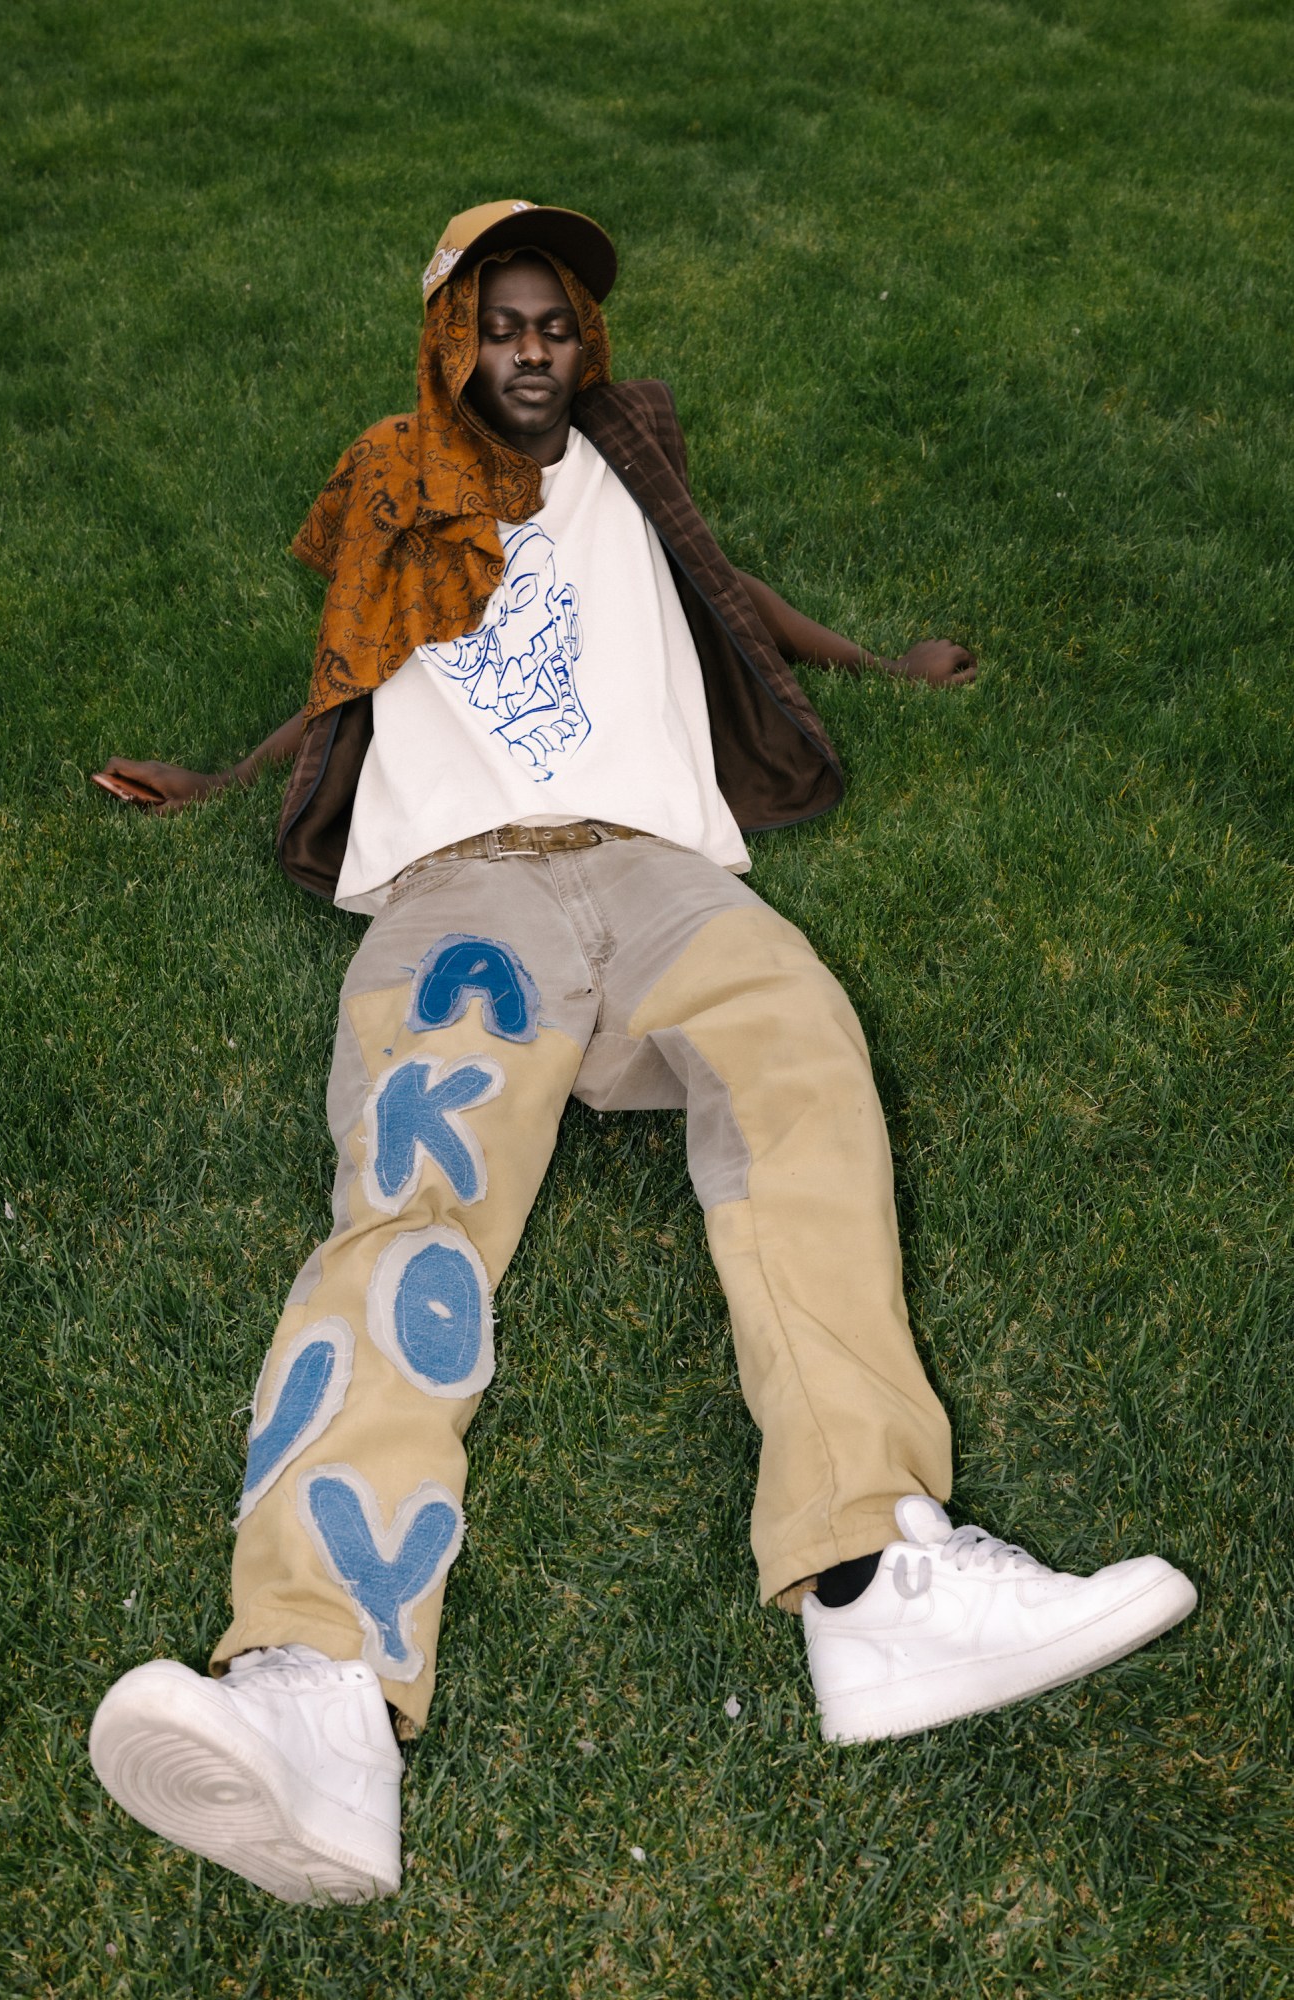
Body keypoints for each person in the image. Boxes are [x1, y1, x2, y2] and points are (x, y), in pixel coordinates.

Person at [87, 200, 1196, 1906]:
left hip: (671, 883)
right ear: (445, 336)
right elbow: (345, 661)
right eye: (497, 322)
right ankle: (318, 1686)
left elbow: (726, 587)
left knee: (810, 1087)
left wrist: (872, 658)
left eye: (557, 322)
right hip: (472, 894)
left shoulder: (628, 464)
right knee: (416, 1202)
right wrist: (228, 783)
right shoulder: (398, 484)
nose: (533, 349)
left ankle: (873, 1578)